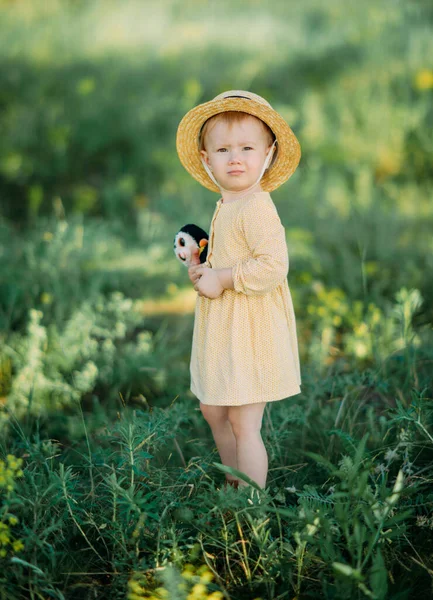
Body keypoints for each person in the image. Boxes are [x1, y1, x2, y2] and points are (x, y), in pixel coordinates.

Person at [176, 90, 302, 491]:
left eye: (247, 148)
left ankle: (250, 504)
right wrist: (203, 269)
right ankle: (233, 481)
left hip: (251, 330)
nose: (235, 158)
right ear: (205, 158)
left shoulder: (257, 207)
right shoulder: (228, 201)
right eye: (223, 149)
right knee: (213, 409)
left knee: (243, 420)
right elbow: (227, 256)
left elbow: (273, 266)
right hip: (223, 328)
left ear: (268, 153)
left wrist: (224, 278)